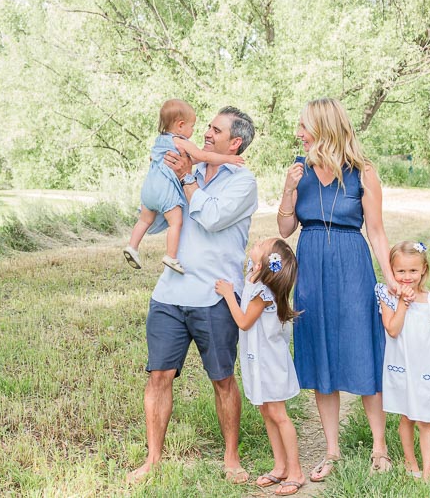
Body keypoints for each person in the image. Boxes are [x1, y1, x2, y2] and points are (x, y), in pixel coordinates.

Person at [127, 106, 258, 485]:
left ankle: (231, 458)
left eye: (215, 131)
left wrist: (186, 180)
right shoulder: (187, 167)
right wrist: (157, 183)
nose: (205, 135)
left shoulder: (242, 182)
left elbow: (212, 217)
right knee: (158, 375)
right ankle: (153, 459)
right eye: (208, 128)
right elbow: (159, 221)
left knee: (222, 378)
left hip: (215, 295)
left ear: (234, 142)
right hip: (170, 292)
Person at [277, 97, 398, 481]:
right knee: (320, 354)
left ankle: (379, 448)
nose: (297, 133)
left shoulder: (363, 173)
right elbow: (285, 230)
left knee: (362, 349)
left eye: (303, 126)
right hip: (311, 265)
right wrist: (287, 191)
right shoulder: (300, 170)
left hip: (352, 265)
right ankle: (332, 451)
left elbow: (376, 233)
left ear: (323, 127)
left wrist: (391, 280)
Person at [215, 237, 305, 496]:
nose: (257, 241)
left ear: (265, 262)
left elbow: (243, 322)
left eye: (262, 244)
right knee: (266, 411)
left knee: (278, 414)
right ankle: (280, 466)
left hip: (270, 364)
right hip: (258, 360)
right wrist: (254, 270)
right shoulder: (256, 282)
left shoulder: (264, 293)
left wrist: (228, 294)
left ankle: (296, 471)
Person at [123, 99, 244, 274]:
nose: (196, 131)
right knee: (176, 222)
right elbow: (204, 157)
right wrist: (228, 159)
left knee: (144, 220)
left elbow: (190, 159)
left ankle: (132, 247)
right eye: (192, 126)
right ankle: (171, 257)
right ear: (180, 126)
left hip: (149, 189)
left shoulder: (160, 140)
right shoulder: (180, 141)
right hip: (165, 191)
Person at [375, 241, 430, 481]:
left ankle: (427, 473)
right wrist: (403, 304)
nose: (407, 277)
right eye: (401, 271)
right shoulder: (387, 297)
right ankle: (410, 462)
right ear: (392, 271)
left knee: (426, 421)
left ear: (423, 270)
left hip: (427, 370)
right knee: (406, 418)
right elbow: (393, 330)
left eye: (413, 271)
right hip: (402, 369)